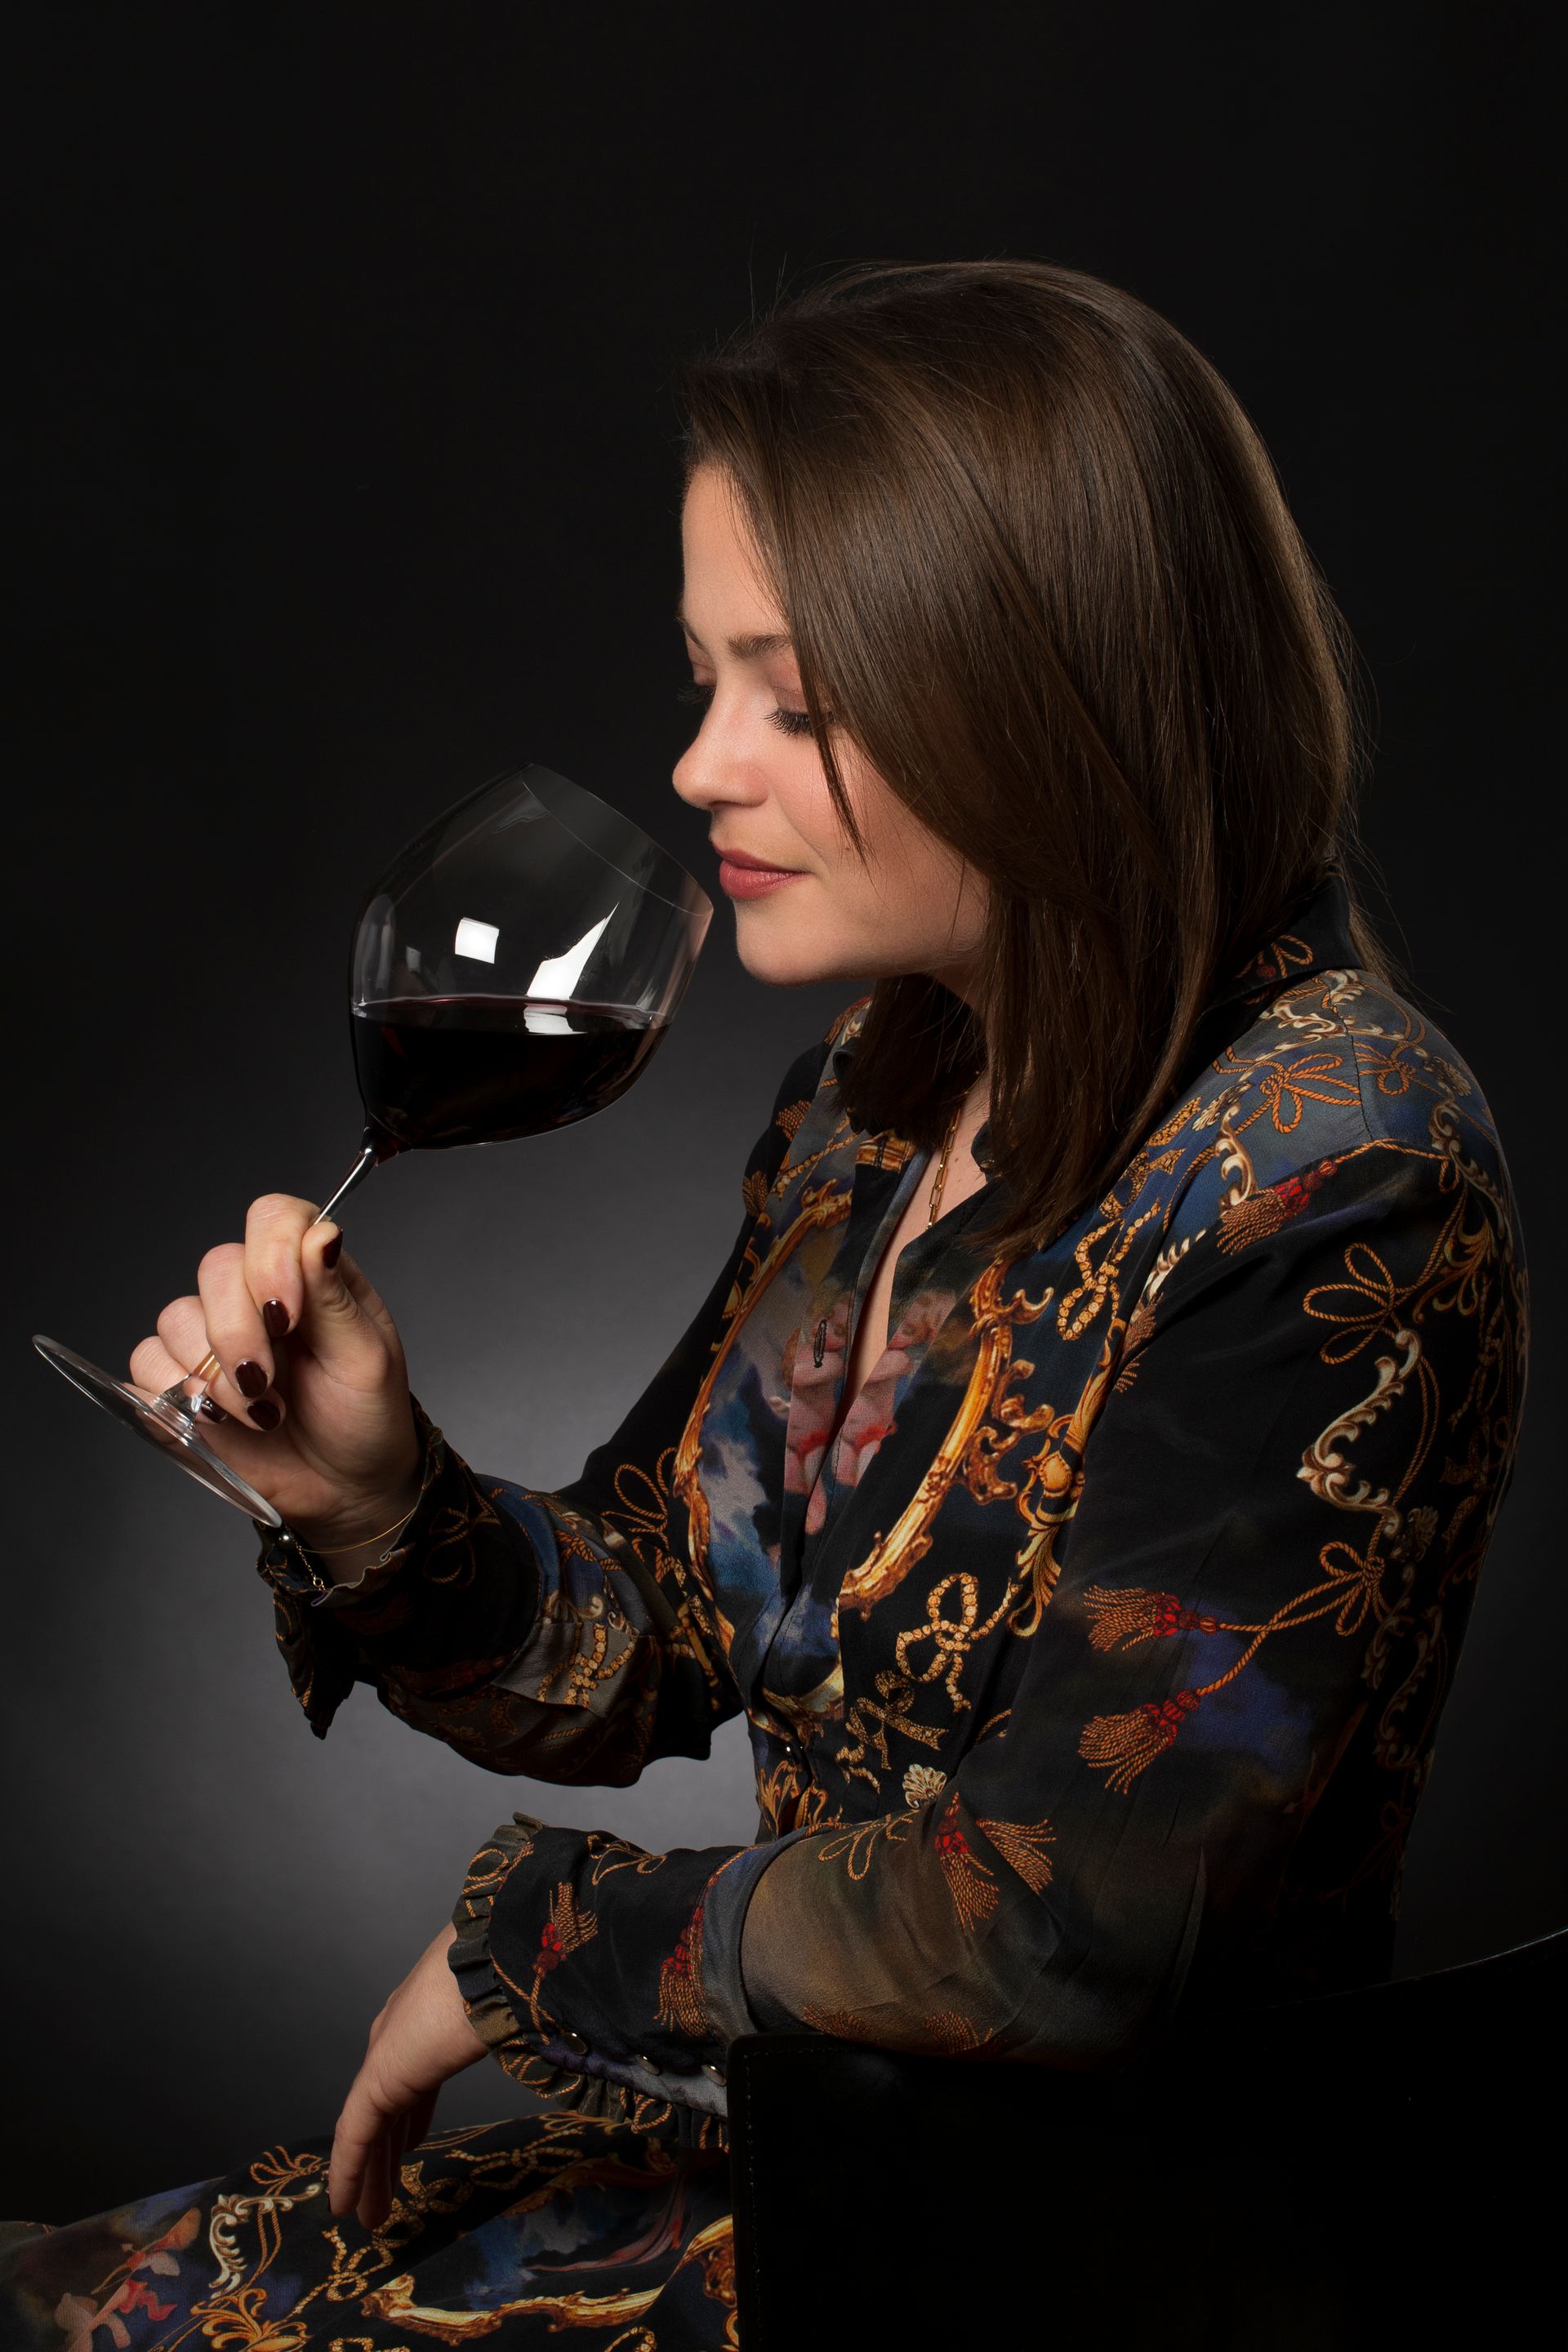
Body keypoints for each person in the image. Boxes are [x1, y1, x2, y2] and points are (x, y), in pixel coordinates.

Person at [1, 258, 1527, 2350]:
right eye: (705, 678)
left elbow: (1063, 1934)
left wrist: (532, 1939)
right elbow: (658, 1633)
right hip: (818, 2168)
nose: (704, 765)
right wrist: (372, 1504)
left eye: (793, 700)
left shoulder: (1337, 1176)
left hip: (1088, 2260)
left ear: (1044, 690)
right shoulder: (883, 1100)